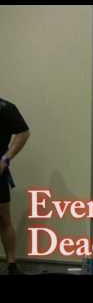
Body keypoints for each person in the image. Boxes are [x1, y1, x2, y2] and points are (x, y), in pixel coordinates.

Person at [0, 98, 30, 275]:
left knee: (3, 218)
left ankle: (11, 264)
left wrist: (6, 159)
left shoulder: (5, 107)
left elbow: (23, 133)